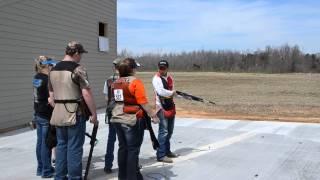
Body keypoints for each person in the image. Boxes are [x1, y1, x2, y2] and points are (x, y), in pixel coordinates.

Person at [48, 41, 98, 180]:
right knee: (75, 148)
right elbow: (86, 93)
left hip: (58, 113)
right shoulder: (78, 69)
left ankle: (60, 176)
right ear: (76, 53)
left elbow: (51, 97)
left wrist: (59, 107)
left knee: (61, 146)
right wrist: (94, 114)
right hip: (75, 113)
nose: (81, 57)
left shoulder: (53, 69)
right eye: (81, 54)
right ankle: (75, 177)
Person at [110, 57, 159, 180]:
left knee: (123, 148)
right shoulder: (135, 82)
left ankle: (123, 176)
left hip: (117, 117)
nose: (136, 70)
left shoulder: (115, 82)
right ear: (131, 69)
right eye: (135, 67)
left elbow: (116, 100)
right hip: (132, 119)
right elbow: (143, 102)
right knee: (132, 150)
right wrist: (153, 114)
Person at [33, 56, 57, 178]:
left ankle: (40, 168)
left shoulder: (36, 77)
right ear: (46, 65)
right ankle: (46, 171)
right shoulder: (47, 79)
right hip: (46, 114)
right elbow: (51, 98)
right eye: (49, 64)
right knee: (46, 143)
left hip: (38, 113)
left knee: (40, 142)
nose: (51, 66)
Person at [152, 60, 179, 163]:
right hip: (161, 108)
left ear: (167, 68)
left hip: (170, 106)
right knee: (163, 132)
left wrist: (177, 94)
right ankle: (161, 155)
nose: (161, 69)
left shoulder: (170, 78)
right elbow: (161, 91)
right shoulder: (156, 79)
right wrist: (172, 93)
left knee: (170, 131)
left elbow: (172, 92)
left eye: (163, 68)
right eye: (160, 67)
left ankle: (167, 151)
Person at [102, 57, 121, 174]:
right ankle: (124, 164)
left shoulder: (108, 80)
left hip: (111, 112)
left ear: (114, 67)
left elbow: (106, 98)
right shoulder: (126, 80)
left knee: (111, 139)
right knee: (124, 141)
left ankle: (107, 166)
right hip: (123, 114)